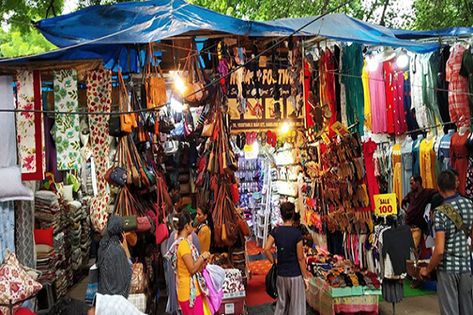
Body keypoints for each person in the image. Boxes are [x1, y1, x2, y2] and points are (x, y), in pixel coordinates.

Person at [420, 170, 473, 315]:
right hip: (466, 267)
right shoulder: (470, 205)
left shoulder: (440, 212)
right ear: (455, 184)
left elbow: (439, 250)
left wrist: (428, 269)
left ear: (439, 188)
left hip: (448, 269)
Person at [264, 202, 308, 315]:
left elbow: (266, 249)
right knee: (296, 307)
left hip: (281, 273)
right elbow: (300, 258)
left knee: (281, 305)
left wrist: (274, 261)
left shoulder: (276, 231)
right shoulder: (297, 233)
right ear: (293, 214)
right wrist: (305, 277)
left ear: (281, 215)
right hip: (295, 274)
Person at [165, 211, 211, 315]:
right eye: (191, 224)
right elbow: (192, 269)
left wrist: (202, 261)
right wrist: (202, 257)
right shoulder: (184, 244)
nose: (192, 226)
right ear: (186, 227)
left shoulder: (181, 243)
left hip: (188, 291)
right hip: (189, 293)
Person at [96, 216, 132, 298]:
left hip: (104, 296)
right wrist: (126, 250)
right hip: (116, 298)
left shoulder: (103, 245)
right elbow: (128, 274)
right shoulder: (117, 250)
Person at [401, 176, 437, 250]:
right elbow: (403, 202)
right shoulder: (410, 194)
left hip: (417, 227)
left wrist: (432, 209)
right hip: (408, 226)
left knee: (412, 249)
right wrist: (407, 211)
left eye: (412, 183)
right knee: (408, 249)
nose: (410, 186)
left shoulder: (427, 193)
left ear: (417, 183)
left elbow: (438, 194)